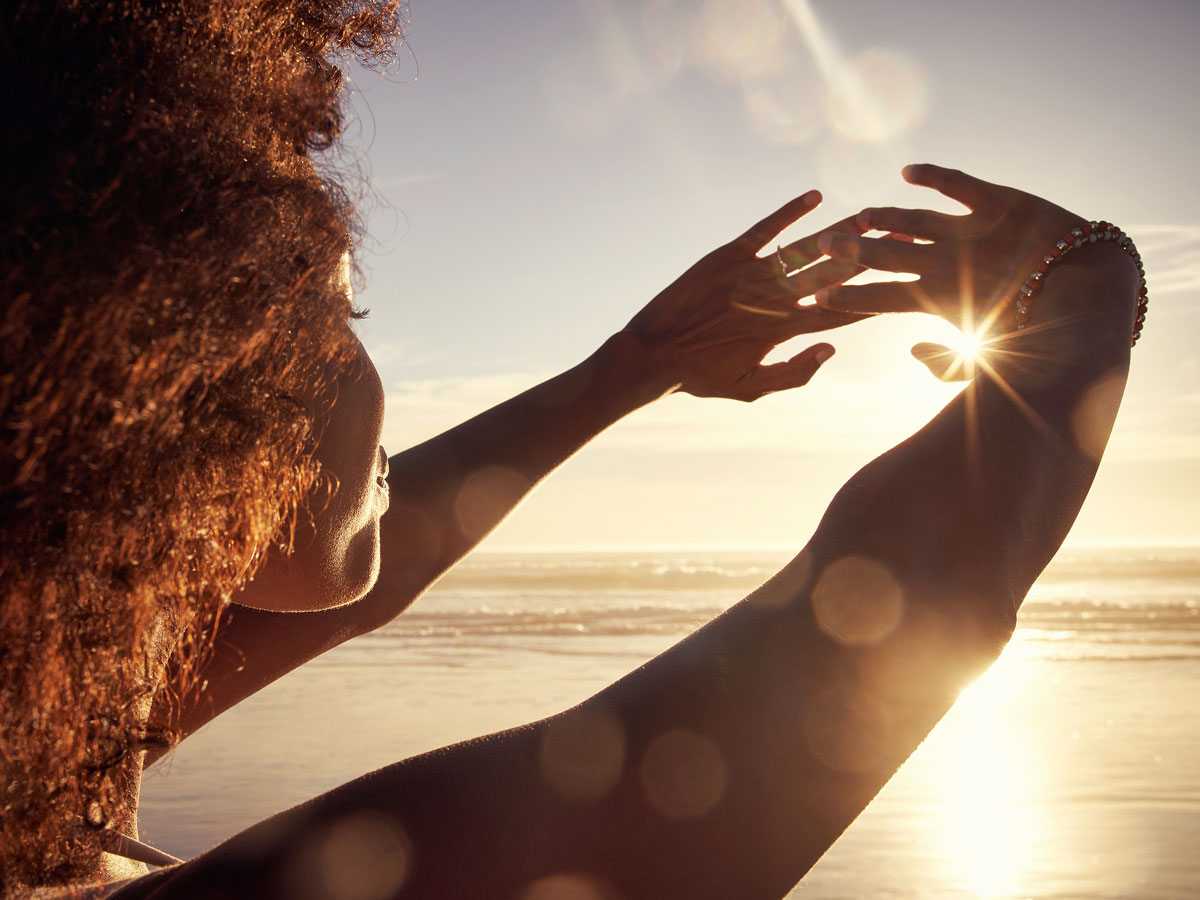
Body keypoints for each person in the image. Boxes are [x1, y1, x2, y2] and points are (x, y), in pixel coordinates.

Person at [1, 2, 1144, 898]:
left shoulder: (36, 774)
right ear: (170, 367)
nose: (374, 377)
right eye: (346, 316)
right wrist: (1090, 294)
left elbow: (357, 575)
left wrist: (633, 367)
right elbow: (912, 609)